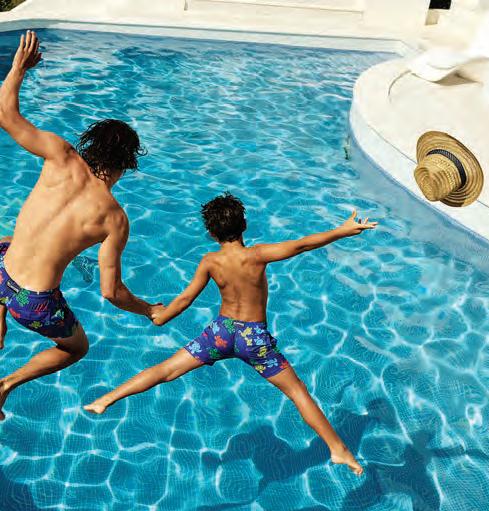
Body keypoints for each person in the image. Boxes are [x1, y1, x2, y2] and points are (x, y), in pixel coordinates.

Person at [85, 194, 378, 475]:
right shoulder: (257, 255)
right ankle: (338, 448)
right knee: (297, 391)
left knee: (166, 370)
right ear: (244, 225)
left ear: (211, 234)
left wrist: (162, 315)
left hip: (221, 333)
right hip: (254, 339)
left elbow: (185, 299)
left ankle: (107, 398)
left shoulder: (210, 261)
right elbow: (301, 245)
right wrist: (341, 231)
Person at [0, 31, 161, 420]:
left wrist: (19, 68)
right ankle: (4, 385)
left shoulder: (60, 154)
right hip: (34, 302)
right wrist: (148, 309)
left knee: (8, 240)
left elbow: (5, 115)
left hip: (1, 269)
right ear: (126, 164)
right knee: (76, 348)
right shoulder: (114, 218)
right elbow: (111, 292)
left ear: (91, 146)